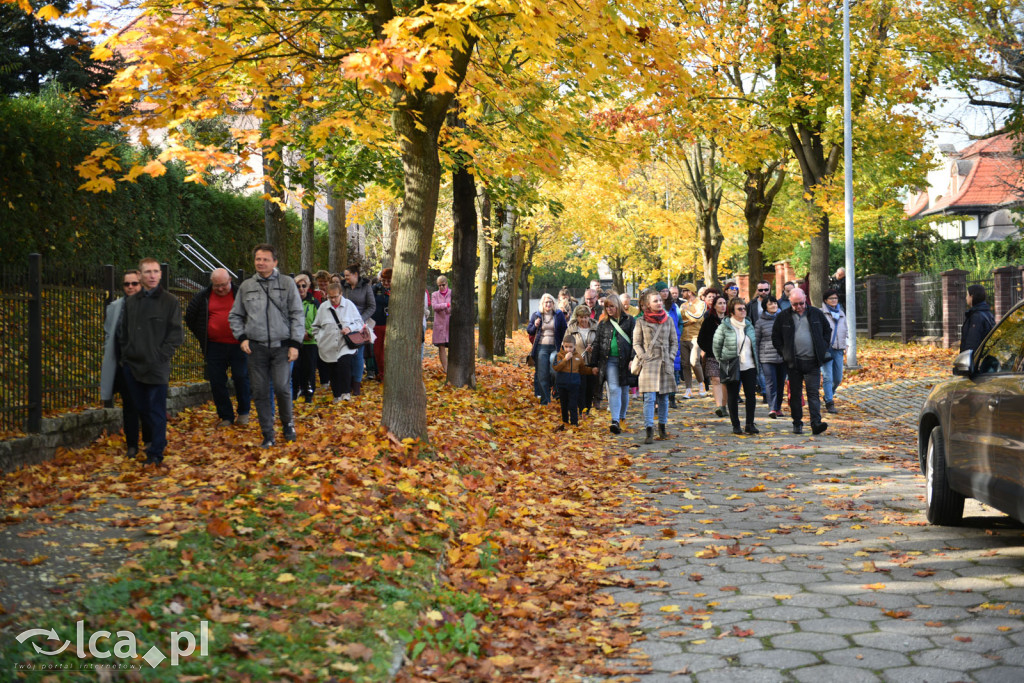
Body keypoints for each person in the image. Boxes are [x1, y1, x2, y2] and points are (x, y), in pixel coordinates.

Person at [229, 244, 304, 448]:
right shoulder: (246, 286)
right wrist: (242, 337)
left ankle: (288, 424)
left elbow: (297, 314)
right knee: (260, 391)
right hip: (256, 348)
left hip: (282, 346)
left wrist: (295, 344)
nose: (260, 263)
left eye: (265, 259)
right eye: (258, 259)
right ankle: (267, 434)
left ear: (275, 262)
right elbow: (235, 315)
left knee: (281, 387)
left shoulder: (287, 283)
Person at [117, 258, 183, 466]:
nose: (152, 275)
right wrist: (127, 355)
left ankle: (156, 451)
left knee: (156, 409)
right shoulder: (131, 302)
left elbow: (176, 334)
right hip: (133, 365)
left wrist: (160, 356)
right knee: (141, 407)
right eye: (148, 272)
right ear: (140, 275)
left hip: (156, 365)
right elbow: (123, 332)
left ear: (161, 274)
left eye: (156, 271)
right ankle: (151, 445)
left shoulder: (170, 301)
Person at [185, 267, 252, 425]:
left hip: (239, 345)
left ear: (230, 280)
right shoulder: (203, 297)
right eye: (217, 285)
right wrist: (204, 334)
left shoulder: (240, 295)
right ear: (211, 284)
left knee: (241, 378)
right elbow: (190, 317)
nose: (221, 288)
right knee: (216, 381)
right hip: (214, 346)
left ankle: (243, 412)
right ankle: (226, 416)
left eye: (223, 284)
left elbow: (253, 316)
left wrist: (247, 336)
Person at [100, 269, 151, 458]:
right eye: (126, 284)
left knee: (146, 405)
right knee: (129, 406)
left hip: (146, 366)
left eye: (134, 284)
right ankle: (131, 445)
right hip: (124, 365)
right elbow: (109, 334)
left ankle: (149, 440)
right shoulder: (115, 307)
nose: (130, 287)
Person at [771, 288, 830, 435]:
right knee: (796, 395)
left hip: (813, 361)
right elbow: (776, 337)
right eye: (795, 304)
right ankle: (797, 422)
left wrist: (822, 348)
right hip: (794, 363)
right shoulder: (783, 316)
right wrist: (785, 354)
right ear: (790, 302)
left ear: (806, 300)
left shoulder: (816, 314)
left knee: (813, 394)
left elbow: (827, 331)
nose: (799, 307)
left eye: (802, 303)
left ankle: (816, 423)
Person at [633, 288, 678, 445]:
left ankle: (663, 427)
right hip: (649, 363)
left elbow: (674, 341)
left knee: (664, 398)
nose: (659, 303)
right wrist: (643, 356)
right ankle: (649, 429)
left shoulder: (669, 320)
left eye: (660, 300)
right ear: (647, 305)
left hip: (665, 362)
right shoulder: (641, 322)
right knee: (649, 398)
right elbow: (637, 343)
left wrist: (671, 357)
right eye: (655, 301)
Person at [714, 297, 760, 435]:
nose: (743, 311)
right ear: (732, 312)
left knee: (751, 396)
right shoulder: (724, 327)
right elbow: (716, 346)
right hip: (732, 366)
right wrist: (723, 361)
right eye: (739, 309)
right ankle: (736, 425)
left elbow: (753, 345)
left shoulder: (749, 325)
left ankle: (750, 424)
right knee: (733, 396)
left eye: (744, 308)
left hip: (749, 365)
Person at [312, 282, 364, 402]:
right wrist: (318, 339)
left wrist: (349, 328)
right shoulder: (323, 307)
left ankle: (346, 393)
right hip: (328, 345)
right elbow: (315, 326)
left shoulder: (349, 305)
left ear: (341, 294)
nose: (333, 299)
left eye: (335, 296)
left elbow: (359, 322)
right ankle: (337, 395)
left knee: (344, 364)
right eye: (330, 297)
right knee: (333, 369)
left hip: (345, 344)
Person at [593, 293, 635, 434]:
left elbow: (636, 341)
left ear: (618, 306)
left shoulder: (630, 321)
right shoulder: (603, 323)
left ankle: (622, 417)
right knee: (614, 389)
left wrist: (633, 359)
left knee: (624, 390)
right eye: (607, 306)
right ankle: (615, 420)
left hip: (625, 360)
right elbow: (597, 344)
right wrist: (594, 364)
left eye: (612, 306)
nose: (609, 309)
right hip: (609, 360)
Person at [341, 263, 375, 395]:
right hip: (345, 325)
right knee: (346, 355)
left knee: (358, 355)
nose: (346, 278)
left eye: (348, 276)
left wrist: (360, 320)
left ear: (356, 275)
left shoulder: (366, 288)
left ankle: (357, 383)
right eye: (345, 276)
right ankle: (347, 382)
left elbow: (372, 306)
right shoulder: (343, 287)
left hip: (360, 326)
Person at [526, 293, 566, 406]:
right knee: (542, 374)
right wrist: (535, 325)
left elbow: (565, 329)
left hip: (555, 347)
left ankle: (554, 390)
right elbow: (529, 330)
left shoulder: (559, 315)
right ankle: (545, 401)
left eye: (550, 302)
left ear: (554, 303)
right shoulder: (536, 315)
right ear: (542, 304)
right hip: (541, 348)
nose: (548, 304)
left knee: (555, 370)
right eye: (546, 302)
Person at [552, 337, 597, 430]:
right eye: (566, 347)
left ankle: (574, 423)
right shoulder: (559, 355)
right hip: (562, 384)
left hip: (574, 384)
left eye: (571, 347)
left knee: (573, 404)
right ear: (563, 346)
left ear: (574, 346)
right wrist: (565, 359)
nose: (568, 349)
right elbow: (556, 367)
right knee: (564, 404)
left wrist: (591, 370)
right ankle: (565, 422)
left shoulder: (578, 357)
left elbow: (583, 369)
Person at [290, 272, 319, 403]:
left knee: (309, 369)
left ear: (308, 287)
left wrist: (310, 333)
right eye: (298, 286)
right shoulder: (289, 302)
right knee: (295, 369)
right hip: (294, 341)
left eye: (303, 286)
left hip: (310, 342)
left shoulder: (314, 302)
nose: (301, 289)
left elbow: (320, 321)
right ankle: (295, 392)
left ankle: (309, 394)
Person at [755, 296, 786, 419]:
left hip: (783, 356)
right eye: (770, 304)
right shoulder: (760, 322)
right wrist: (756, 358)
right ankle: (772, 408)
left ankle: (778, 408)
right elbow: (756, 341)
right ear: (765, 307)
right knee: (770, 383)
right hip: (766, 357)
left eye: (775, 303)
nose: (773, 306)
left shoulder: (784, 319)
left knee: (780, 383)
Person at [565, 304, 599, 414]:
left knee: (590, 388)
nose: (583, 319)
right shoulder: (571, 328)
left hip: (592, 362)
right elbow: (565, 343)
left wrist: (594, 349)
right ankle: (581, 409)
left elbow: (601, 342)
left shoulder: (596, 327)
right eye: (581, 317)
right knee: (580, 387)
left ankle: (587, 409)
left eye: (585, 317)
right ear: (577, 317)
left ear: (589, 316)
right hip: (578, 363)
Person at [698, 295, 729, 417]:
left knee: (725, 381)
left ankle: (724, 405)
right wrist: (710, 350)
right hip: (713, 356)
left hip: (728, 356)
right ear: (714, 306)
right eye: (720, 303)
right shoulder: (709, 320)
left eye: (724, 303)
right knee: (716, 379)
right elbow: (701, 339)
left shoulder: (730, 320)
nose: (722, 306)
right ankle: (719, 407)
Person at [820, 288, 847, 414]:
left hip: (839, 349)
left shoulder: (841, 313)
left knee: (838, 378)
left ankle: (827, 395)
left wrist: (846, 344)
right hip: (826, 349)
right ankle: (830, 402)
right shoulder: (821, 313)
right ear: (825, 300)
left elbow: (845, 330)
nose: (834, 300)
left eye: (835, 298)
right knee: (828, 377)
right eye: (831, 298)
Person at [678, 283, 706, 399]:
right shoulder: (682, 305)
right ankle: (688, 389)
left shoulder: (701, 304)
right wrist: (691, 318)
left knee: (694, 361)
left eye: (684, 290)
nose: (681, 293)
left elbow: (698, 318)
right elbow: (681, 322)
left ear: (690, 292)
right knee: (685, 364)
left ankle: (701, 384)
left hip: (696, 337)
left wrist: (687, 313)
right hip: (683, 337)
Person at [661, 286, 683, 408]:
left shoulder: (674, 306)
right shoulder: (655, 306)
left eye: (666, 291)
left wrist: (677, 334)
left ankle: (672, 397)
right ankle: (661, 398)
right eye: (662, 291)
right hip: (660, 341)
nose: (664, 293)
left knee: (674, 368)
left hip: (674, 341)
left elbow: (680, 322)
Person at [961, 284, 996, 353]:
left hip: (975, 359)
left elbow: (972, 342)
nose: (966, 298)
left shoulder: (976, 317)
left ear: (972, 296)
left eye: (967, 295)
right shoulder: (987, 313)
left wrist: (967, 360)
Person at [371, 268, 391, 382]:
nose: (386, 284)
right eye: (384, 281)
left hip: (389, 325)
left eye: (389, 281)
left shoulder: (396, 289)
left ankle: (386, 375)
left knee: (386, 352)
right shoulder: (375, 289)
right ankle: (380, 372)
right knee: (377, 352)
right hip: (377, 324)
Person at [431, 275, 452, 373]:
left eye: (443, 285)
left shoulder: (452, 293)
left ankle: (452, 367)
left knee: (452, 345)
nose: (441, 287)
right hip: (439, 324)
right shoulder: (435, 294)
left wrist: (446, 308)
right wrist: (446, 305)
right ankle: (446, 368)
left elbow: (453, 307)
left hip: (450, 324)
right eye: (439, 285)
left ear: (446, 284)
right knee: (441, 346)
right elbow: (435, 306)